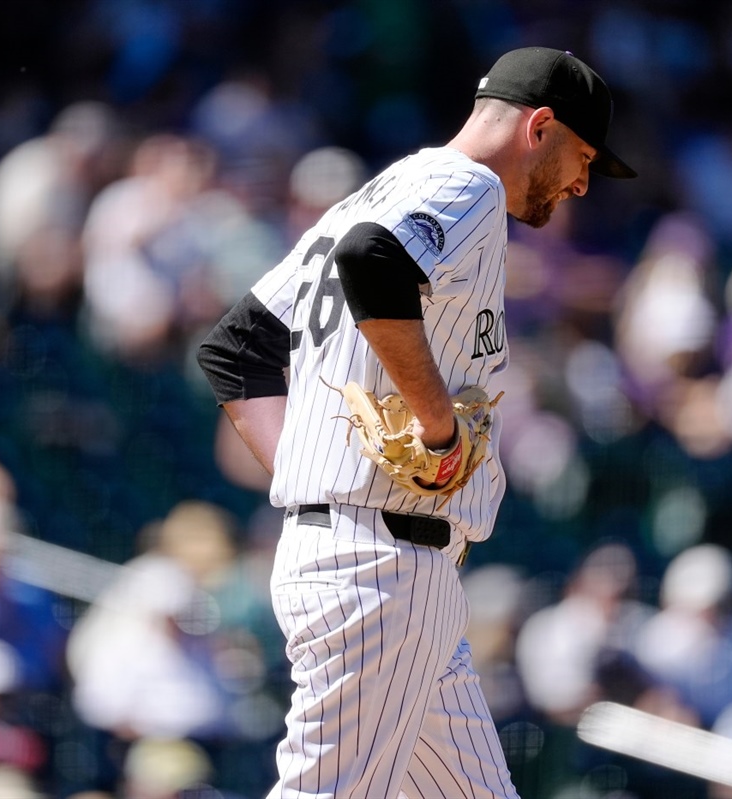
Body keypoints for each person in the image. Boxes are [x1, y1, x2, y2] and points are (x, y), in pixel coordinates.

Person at [197, 46, 636, 799]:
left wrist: (317, 473)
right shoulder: (467, 185)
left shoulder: (380, 191)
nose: (583, 182)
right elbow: (372, 263)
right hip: (378, 566)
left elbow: (237, 348)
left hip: (380, 556)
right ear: (539, 126)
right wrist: (435, 426)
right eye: (582, 155)